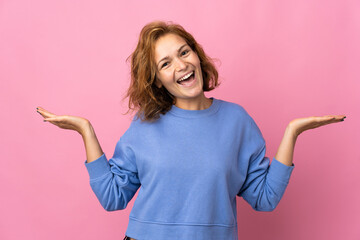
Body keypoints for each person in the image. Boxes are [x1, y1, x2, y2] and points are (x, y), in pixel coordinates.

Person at [36, 21, 346, 240]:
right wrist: (85, 131)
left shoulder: (237, 121)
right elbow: (112, 198)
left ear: (196, 55)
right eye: (165, 63)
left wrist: (292, 133)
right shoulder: (145, 124)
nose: (181, 65)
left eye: (184, 52)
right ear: (157, 80)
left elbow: (265, 199)